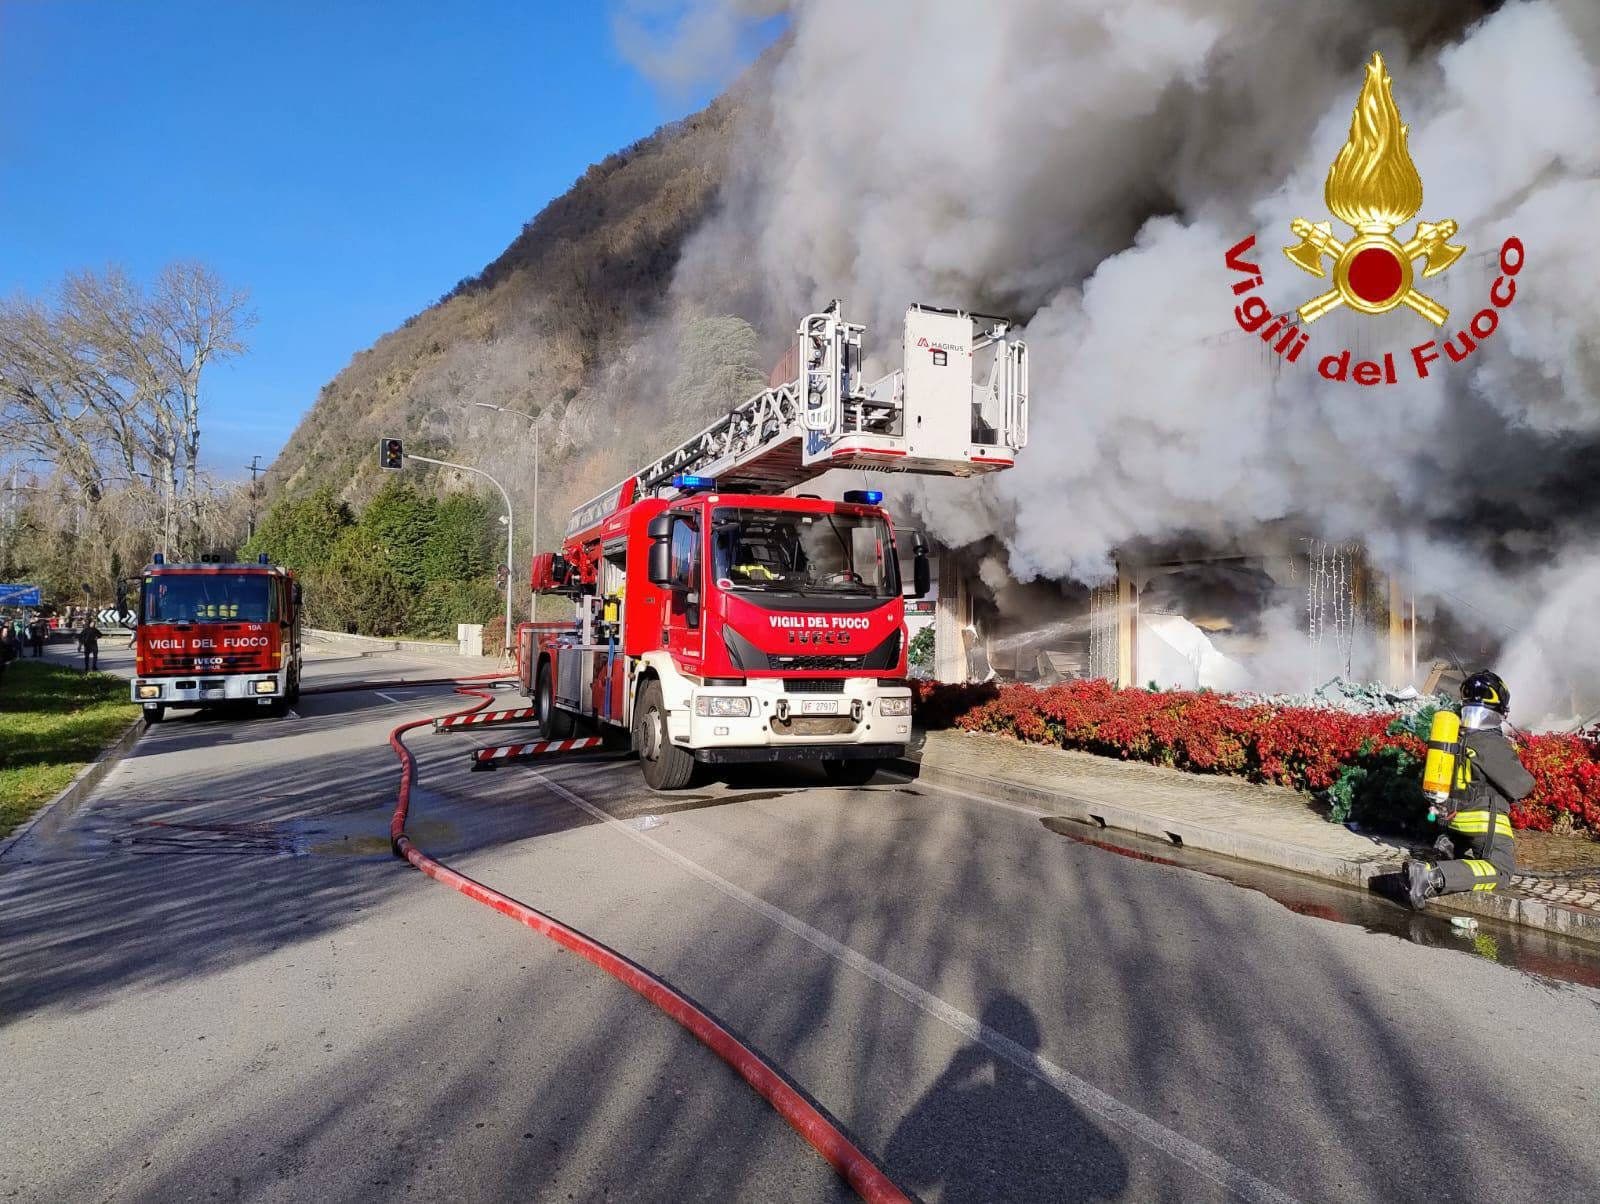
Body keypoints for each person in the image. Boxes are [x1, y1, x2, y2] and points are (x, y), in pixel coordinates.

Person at [1406, 670, 1534, 909]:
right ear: (1499, 711)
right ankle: (1429, 876)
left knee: (1465, 846)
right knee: (1501, 870)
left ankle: (1447, 848)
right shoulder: (1490, 743)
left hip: (1455, 820)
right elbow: (1521, 785)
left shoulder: (1454, 737)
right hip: (1484, 824)